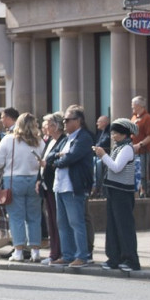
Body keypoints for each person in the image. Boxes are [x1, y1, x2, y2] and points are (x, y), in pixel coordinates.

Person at [0, 112, 46, 262]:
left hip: (13, 180)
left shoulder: (9, 140)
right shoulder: (39, 141)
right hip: (35, 179)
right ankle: (35, 251)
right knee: (34, 217)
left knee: (16, 217)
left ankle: (19, 251)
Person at [46, 105, 94, 267]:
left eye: (67, 120)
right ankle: (67, 255)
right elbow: (50, 156)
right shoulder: (66, 139)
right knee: (63, 223)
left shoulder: (84, 137)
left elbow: (71, 158)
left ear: (78, 121)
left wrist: (57, 161)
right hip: (59, 186)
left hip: (73, 186)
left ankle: (82, 256)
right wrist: (58, 156)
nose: (64, 123)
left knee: (76, 222)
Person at [94, 117, 140, 272]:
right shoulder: (119, 147)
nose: (113, 136)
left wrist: (103, 155)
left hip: (122, 192)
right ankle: (114, 258)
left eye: (116, 133)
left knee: (124, 226)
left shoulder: (127, 148)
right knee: (113, 226)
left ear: (124, 134)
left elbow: (116, 167)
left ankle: (130, 260)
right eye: (112, 133)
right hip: (114, 190)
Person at [38, 113, 65, 264]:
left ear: (55, 126)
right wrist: (39, 179)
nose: (46, 128)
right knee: (51, 220)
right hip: (46, 184)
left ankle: (58, 251)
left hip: (55, 184)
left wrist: (47, 165)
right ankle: (53, 252)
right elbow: (43, 159)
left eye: (48, 125)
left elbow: (55, 162)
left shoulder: (63, 141)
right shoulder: (49, 141)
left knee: (57, 220)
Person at [131, 96, 150, 196]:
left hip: (143, 151)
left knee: (142, 173)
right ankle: (136, 191)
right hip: (133, 150)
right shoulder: (134, 117)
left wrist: (140, 144)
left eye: (133, 105)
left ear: (139, 105)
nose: (132, 107)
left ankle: (144, 192)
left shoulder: (147, 118)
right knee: (134, 172)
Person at [93, 115, 111, 197]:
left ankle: (98, 188)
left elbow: (103, 143)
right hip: (98, 156)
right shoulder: (100, 132)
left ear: (104, 123)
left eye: (99, 122)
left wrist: (96, 147)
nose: (97, 123)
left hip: (106, 157)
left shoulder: (109, 131)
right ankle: (95, 188)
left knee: (98, 164)